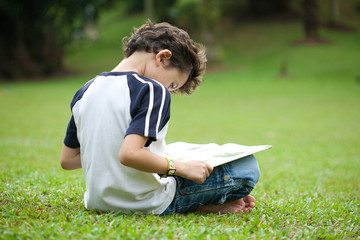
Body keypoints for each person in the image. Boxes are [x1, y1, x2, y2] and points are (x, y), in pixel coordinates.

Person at [60, 20, 260, 215]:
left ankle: (203, 204)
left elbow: (67, 160)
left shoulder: (85, 90)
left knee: (173, 150)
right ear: (163, 57)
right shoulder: (151, 90)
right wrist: (179, 167)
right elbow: (129, 154)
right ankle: (194, 203)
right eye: (172, 84)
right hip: (146, 201)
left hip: (98, 202)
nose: (167, 90)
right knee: (247, 167)